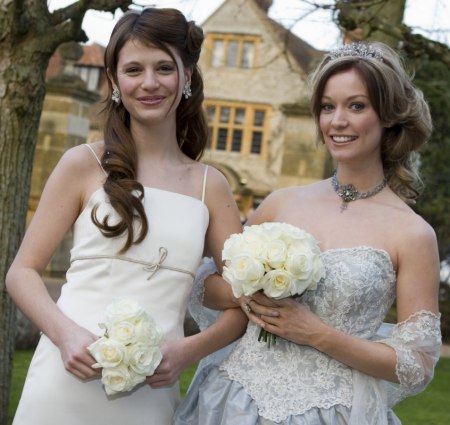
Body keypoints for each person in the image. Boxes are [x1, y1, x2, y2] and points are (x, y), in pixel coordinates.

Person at [174, 41, 442, 425]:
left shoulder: (412, 233)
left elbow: (417, 364)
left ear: (388, 117)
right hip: (232, 401)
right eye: (328, 107)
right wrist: (249, 292)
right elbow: (205, 286)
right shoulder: (281, 203)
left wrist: (318, 334)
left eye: (357, 106)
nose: (337, 121)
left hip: (332, 412)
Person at [6, 7, 246, 425]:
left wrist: (188, 350)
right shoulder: (81, 164)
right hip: (63, 382)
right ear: (115, 81)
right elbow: (21, 272)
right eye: (134, 69)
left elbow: (243, 304)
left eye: (164, 68)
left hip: (152, 393)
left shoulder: (213, 186)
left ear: (187, 76)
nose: (149, 83)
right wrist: (65, 336)